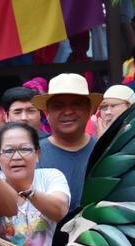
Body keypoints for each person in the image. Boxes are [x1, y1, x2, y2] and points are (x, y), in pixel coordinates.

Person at [0, 121, 70, 246]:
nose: (16, 157)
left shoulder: (51, 176)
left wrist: (27, 190)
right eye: (8, 151)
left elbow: (59, 210)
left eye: (24, 149)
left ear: (37, 153)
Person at [34, 73, 101, 209]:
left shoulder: (104, 148)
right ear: (47, 112)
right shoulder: (33, 155)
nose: (68, 112)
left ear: (89, 110)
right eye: (58, 106)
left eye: (76, 104)